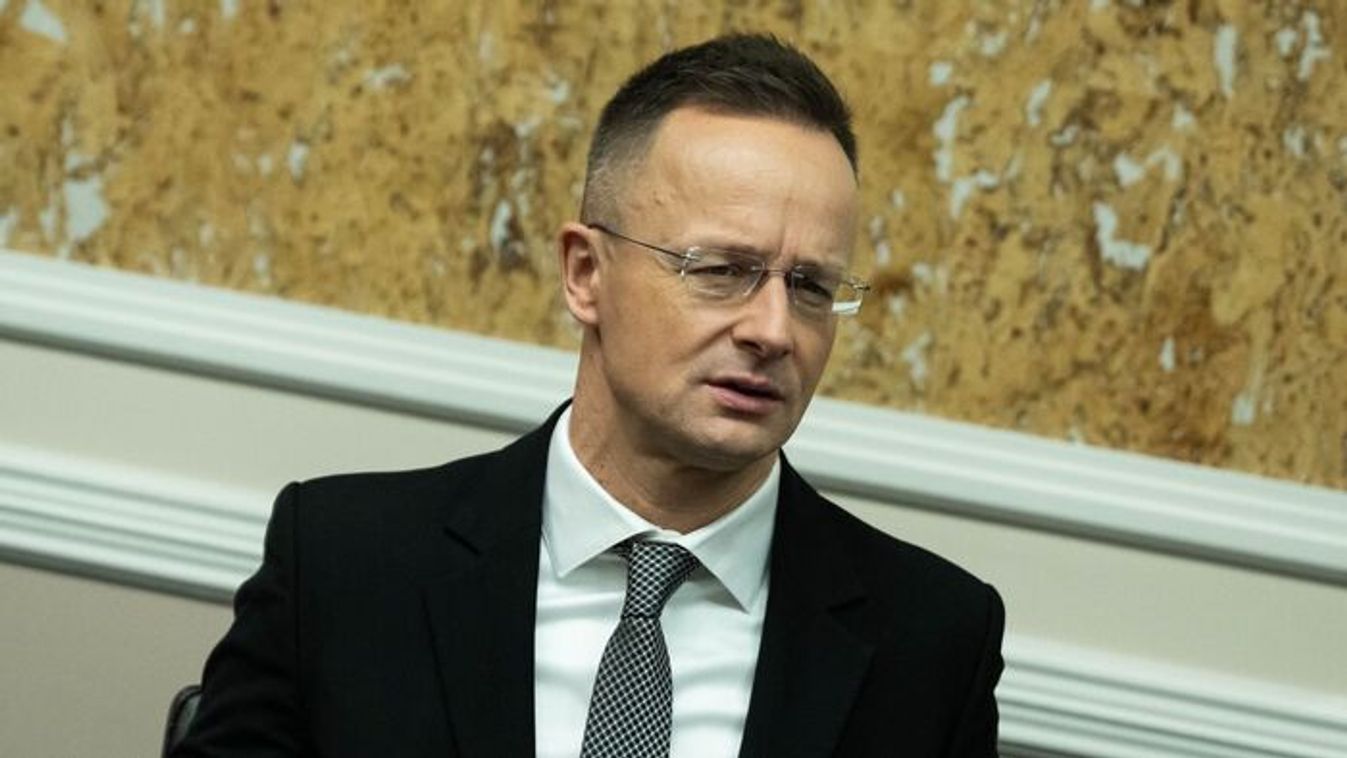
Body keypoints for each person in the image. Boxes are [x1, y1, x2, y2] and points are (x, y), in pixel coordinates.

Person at [174, 33, 1004, 758]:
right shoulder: (345, 565)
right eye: (721, 270)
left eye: (811, 287)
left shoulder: (930, 641)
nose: (773, 331)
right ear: (584, 274)